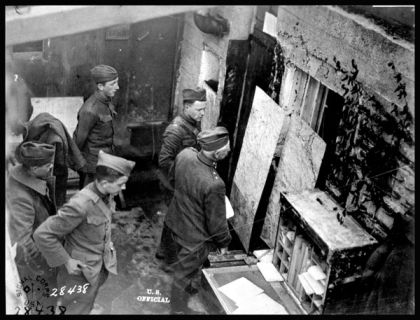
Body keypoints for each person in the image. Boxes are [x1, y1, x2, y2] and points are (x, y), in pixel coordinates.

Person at [33, 150, 135, 314]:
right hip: (78, 275)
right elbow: (42, 234)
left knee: (87, 301)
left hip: (96, 267)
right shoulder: (80, 204)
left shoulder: (105, 194)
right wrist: (66, 260)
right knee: (75, 308)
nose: (124, 187)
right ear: (104, 182)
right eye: (120, 183)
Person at [163, 126, 232, 314]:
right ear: (217, 153)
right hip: (193, 240)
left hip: (174, 223)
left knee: (178, 267)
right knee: (182, 275)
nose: (229, 150)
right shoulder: (215, 183)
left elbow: (173, 180)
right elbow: (217, 223)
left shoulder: (185, 154)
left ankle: (184, 293)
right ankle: (177, 309)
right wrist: (224, 243)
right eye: (227, 148)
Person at [155, 87, 207, 260]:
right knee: (178, 219)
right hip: (173, 182)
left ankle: (164, 251)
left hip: (182, 182)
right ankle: (172, 257)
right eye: (199, 109)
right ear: (187, 107)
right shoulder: (176, 130)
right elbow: (164, 161)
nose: (202, 113)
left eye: (204, 109)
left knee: (175, 217)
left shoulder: (192, 124)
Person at [6, 142, 58, 311]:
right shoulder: (21, 196)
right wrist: (46, 263)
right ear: (34, 168)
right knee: (42, 304)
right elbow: (23, 241)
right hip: (35, 265)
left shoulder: (31, 178)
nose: (51, 168)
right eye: (48, 165)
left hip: (42, 252)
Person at [22, 112, 86, 207]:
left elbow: (54, 166)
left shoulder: (53, 136)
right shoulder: (38, 125)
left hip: (56, 166)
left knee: (56, 198)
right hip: (53, 165)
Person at [73, 65, 119, 188]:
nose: (117, 87)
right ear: (100, 86)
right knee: (90, 200)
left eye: (117, 83)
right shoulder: (90, 110)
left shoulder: (106, 102)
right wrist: (79, 163)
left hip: (105, 161)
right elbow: (79, 140)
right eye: (113, 84)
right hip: (92, 166)